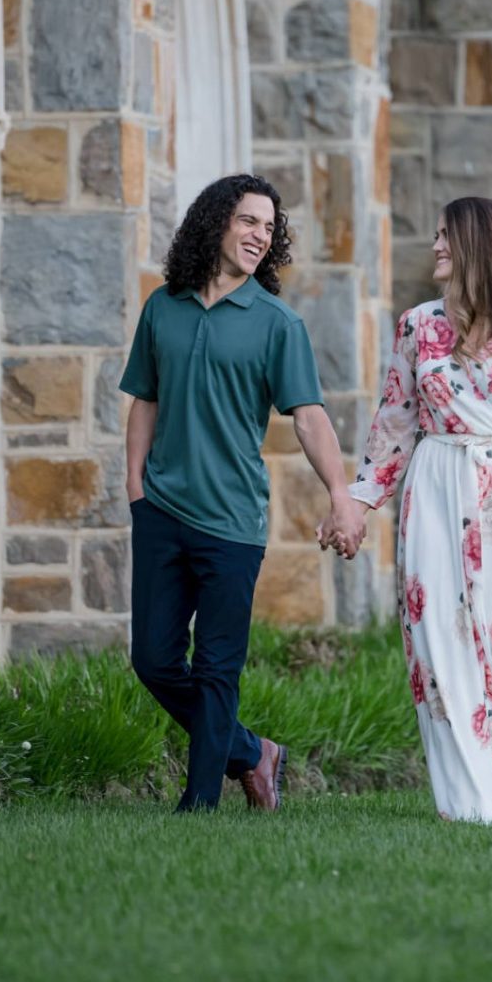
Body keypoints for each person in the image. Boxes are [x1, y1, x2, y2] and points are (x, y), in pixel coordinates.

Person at [320, 196, 492, 825]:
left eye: (447, 235)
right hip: (437, 491)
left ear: (479, 244)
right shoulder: (417, 326)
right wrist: (356, 502)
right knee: (440, 641)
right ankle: (468, 799)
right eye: (437, 234)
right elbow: (395, 423)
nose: (436, 245)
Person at [120, 172, 366, 812]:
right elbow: (145, 399)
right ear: (216, 223)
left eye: (269, 226)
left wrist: (341, 496)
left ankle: (200, 804)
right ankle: (253, 753)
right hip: (161, 509)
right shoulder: (163, 307)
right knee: (153, 660)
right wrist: (135, 487)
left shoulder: (277, 323)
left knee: (216, 669)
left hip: (231, 522)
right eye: (248, 221)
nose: (260, 235)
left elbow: (308, 417)